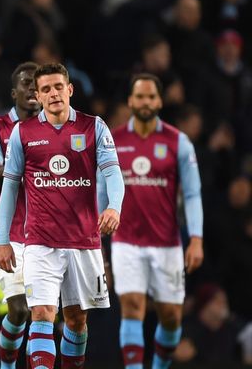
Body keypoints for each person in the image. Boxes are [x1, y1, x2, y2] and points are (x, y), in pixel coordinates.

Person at [0, 63, 125, 369]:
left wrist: (114, 206)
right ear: (37, 96)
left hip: (83, 240)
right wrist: (2, 239)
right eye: (45, 89)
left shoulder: (94, 127)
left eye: (57, 87)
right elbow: (10, 187)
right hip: (40, 242)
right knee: (41, 313)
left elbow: (113, 173)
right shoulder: (23, 133)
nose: (53, 94)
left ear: (70, 90)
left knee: (77, 321)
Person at [102, 73, 203, 369]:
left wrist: (195, 238)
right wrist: (95, 243)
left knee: (171, 316)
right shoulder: (114, 142)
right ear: (131, 101)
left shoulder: (178, 142)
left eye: (151, 96)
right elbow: (99, 192)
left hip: (167, 243)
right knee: (132, 307)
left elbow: (194, 193)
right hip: (126, 241)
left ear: (159, 101)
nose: (145, 102)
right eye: (140, 96)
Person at [0, 62, 41, 368]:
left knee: (45, 316)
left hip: (49, 233)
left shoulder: (59, 128)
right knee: (18, 310)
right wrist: (31, 169)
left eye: (38, 84)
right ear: (14, 91)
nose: (33, 89)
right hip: (9, 231)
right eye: (26, 83)